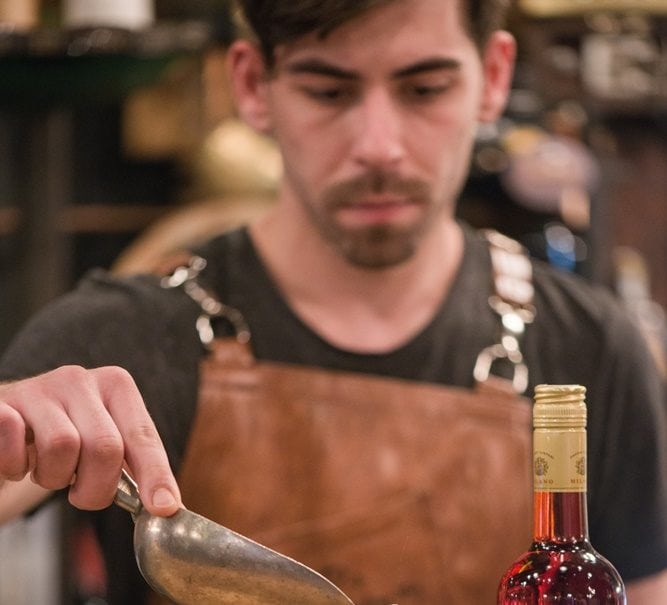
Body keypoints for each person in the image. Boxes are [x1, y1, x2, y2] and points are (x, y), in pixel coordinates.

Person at [1, 0, 667, 603]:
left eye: (424, 89)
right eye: (327, 91)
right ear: (252, 85)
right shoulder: (126, 333)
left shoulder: (588, 349)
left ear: (492, 77)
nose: (378, 147)